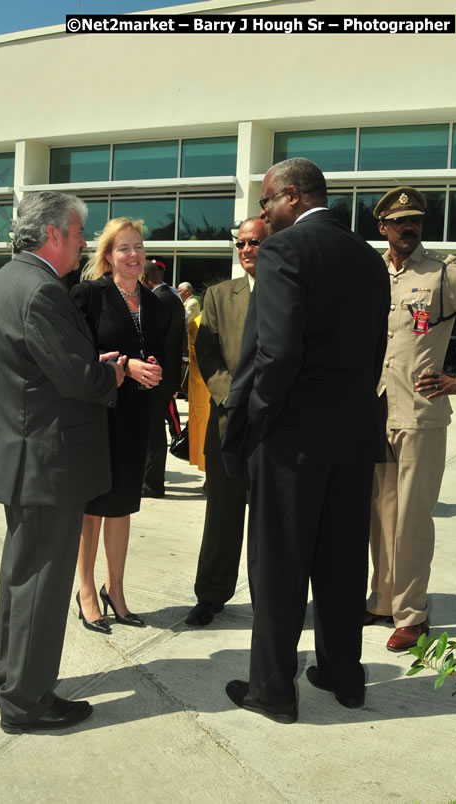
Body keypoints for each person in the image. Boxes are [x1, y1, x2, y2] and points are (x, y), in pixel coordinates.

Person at [222, 158, 390, 723]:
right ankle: (344, 676)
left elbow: (277, 350)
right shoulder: (369, 258)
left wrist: (260, 419)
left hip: (293, 437)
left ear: (291, 196)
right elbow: (372, 355)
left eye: (267, 201)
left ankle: (272, 690)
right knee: (343, 563)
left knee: (279, 564)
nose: (264, 213)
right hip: (352, 432)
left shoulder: (284, 250)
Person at [0, 191, 125, 734]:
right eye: (80, 232)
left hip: (24, 456)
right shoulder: (41, 290)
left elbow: (38, 367)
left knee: (21, 576)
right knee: (41, 583)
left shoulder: (6, 280)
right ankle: (28, 701)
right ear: (54, 233)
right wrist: (113, 372)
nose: (86, 242)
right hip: (46, 461)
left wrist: (89, 364)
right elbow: (80, 379)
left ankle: (5, 679)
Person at [365, 186, 456, 651]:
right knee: (380, 514)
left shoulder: (444, 272)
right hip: (376, 411)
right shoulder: (370, 273)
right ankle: (382, 599)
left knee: (413, 518)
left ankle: (413, 613)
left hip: (421, 413)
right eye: (399, 222)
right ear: (382, 227)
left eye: (416, 221)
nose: (408, 228)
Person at [71, 218, 163, 633]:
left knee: (123, 506)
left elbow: (161, 352)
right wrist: (126, 364)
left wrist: (155, 371)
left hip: (135, 415)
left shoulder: (156, 302)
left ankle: (117, 591)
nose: (134, 255)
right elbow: (76, 357)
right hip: (98, 414)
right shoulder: (89, 295)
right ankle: (86, 592)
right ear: (107, 256)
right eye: (124, 248)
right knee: (93, 508)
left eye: (138, 247)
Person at [185, 218, 266, 627]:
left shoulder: (292, 292)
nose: (247, 249)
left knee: (272, 519)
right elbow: (207, 350)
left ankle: (270, 601)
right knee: (222, 514)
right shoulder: (217, 295)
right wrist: (231, 397)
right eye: (241, 243)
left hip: (275, 424)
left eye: (255, 242)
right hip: (228, 422)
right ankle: (211, 595)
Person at [141, 259, 185, 498]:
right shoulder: (173, 297)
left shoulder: (159, 300)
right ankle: (151, 480)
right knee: (156, 430)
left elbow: (152, 340)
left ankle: (152, 483)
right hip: (167, 376)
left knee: (154, 433)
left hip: (158, 376)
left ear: (146, 279)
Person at [187, 312, 210, 471]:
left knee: (204, 429)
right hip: (204, 383)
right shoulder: (197, 322)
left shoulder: (197, 322)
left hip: (201, 384)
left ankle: (207, 470)